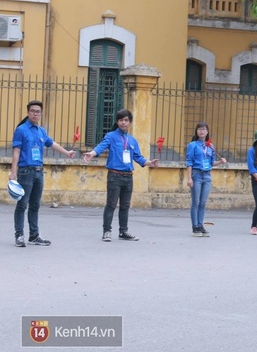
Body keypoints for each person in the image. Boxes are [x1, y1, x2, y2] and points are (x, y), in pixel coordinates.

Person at [83, 109, 159, 242]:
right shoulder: (111, 136)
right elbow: (102, 146)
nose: (123, 122)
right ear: (117, 122)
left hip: (128, 177)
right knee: (111, 204)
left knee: (125, 206)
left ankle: (123, 231)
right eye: (121, 120)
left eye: (126, 120)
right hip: (115, 176)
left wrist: (150, 163)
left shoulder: (132, 140)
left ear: (129, 122)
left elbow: (138, 157)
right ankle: (106, 231)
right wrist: (92, 153)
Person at [10, 100, 75, 247]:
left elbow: (51, 143)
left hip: (39, 172)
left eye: (38, 111)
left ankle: (34, 235)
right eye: (33, 111)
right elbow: (16, 151)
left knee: (35, 205)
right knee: (22, 204)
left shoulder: (41, 131)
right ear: (28, 112)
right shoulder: (21, 130)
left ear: (41, 113)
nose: (35, 113)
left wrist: (67, 153)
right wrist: (13, 172)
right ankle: (19, 235)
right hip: (25, 171)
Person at [186, 122, 227, 237]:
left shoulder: (210, 146)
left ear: (207, 132)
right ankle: (195, 226)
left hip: (207, 175)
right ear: (196, 131)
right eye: (199, 129)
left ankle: (200, 224)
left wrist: (220, 162)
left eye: (204, 129)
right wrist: (189, 178)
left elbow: (211, 163)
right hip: (196, 174)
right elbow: (189, 162)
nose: (201, 131)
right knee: (196, 202)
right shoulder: (192, 145)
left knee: (203, 202)